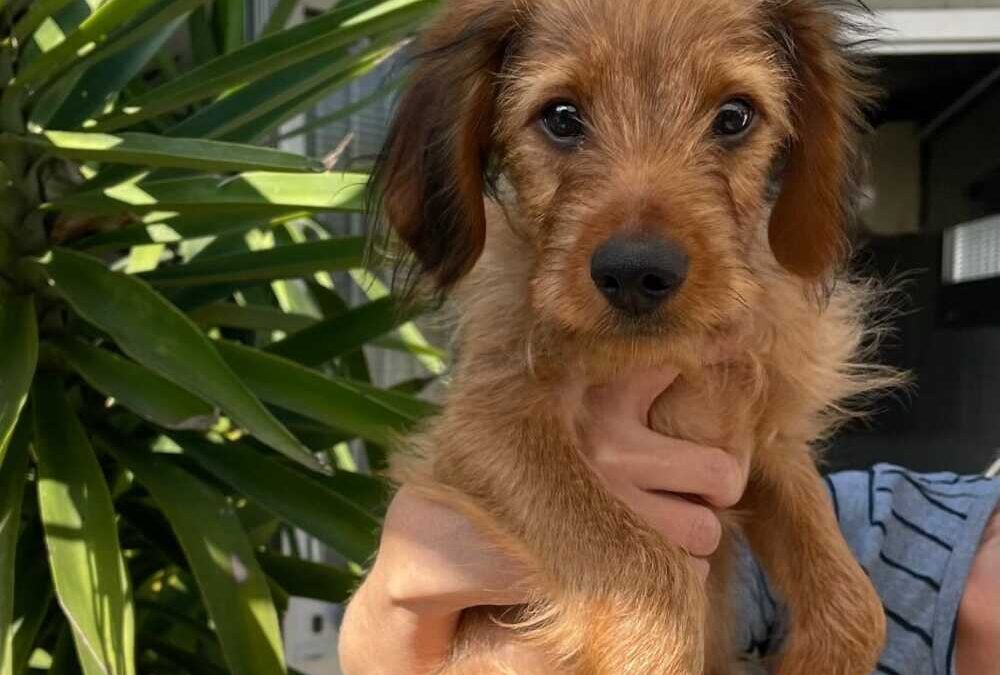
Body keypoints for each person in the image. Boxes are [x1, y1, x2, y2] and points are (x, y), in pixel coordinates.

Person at [339, 368, 1000, 675]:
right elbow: (382, 653)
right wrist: (400, 587)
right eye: (565, 121)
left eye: (732, 121)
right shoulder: (897, 525)